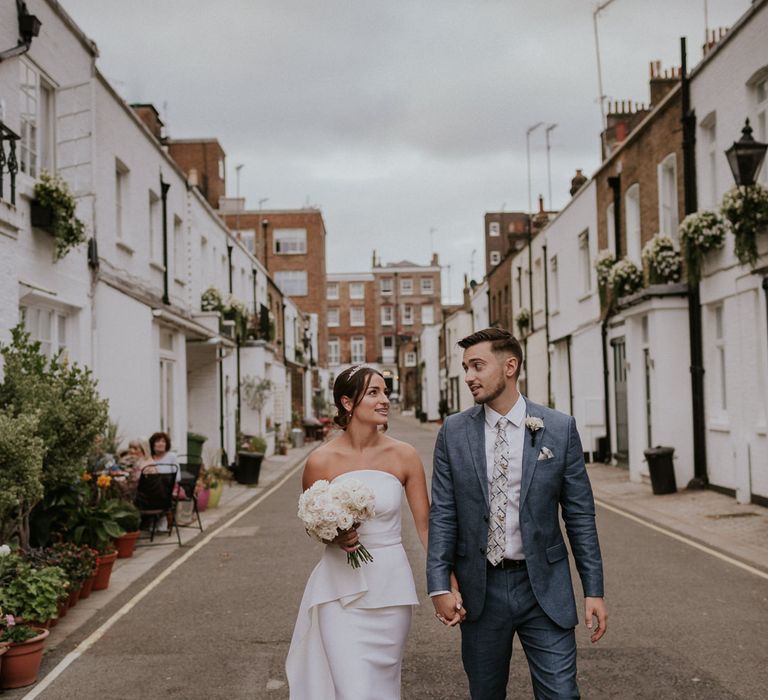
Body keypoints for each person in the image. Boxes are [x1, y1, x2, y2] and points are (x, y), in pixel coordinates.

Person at [427, 327, 607, 699]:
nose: (469, 377)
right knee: (486, 693)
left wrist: (594, 589)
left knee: (561, 693)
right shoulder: (454, 432)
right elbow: (443, 513)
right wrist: (439, 585)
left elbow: (579, 515)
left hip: (544, 586)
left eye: (478, 366)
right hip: (481, 590)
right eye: (466, 368)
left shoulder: (559, 428)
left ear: (510, 366)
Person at [286, 365, 461, 699]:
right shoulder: (320, 461)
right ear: (347, 403)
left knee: (382, 688)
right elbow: (315, 524)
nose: (385, 400)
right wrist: (337, 536)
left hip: (391, 590)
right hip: (339, 592)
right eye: (374, 392)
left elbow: (426, 526)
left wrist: (446, 582)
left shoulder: (404, 455)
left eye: (385, 392)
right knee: (354, 690)